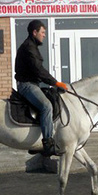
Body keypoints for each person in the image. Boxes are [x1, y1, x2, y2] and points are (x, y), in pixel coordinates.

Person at [14, 20, 68, 157]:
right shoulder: (29, 48)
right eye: (42, 32)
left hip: (33, 84)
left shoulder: (32, 46)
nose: (44, 35)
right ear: (35, 32)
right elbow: (38, 70)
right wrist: (56, 83)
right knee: (46, 106)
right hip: (27, 85)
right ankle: (48, 144)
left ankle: (38, 140)